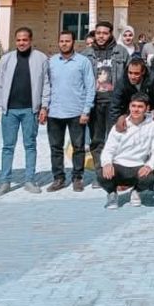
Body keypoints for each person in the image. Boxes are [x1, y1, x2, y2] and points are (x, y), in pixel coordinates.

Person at [0, 27, 50, 196]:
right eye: (18, 40)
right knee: (8, 147)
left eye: (25, 40)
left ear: (31, 40)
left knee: (30, 145)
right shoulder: (6, 59)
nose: (21, 43)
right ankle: (4, 182)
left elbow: (46, 84)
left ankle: (30, 180)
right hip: (10, 111)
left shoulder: (41, 58)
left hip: (31, 110)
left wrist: (44, 107)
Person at [42, 30, 95, 192]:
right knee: (55, 148)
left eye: (67, 41)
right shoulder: (51, 62)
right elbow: (45, 86)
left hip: (76, 112)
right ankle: (58, 178)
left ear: (73, 42)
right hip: (54, 112)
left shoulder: (83, 62)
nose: (64, 44)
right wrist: (44, 107)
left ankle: (77, 178)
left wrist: (86, 110)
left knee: (78, 147)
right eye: (61, 41)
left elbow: (90, 87)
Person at [98, 94, 154, 209]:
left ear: (147, 108)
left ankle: (136, 192)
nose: (136, 109)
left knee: (149, 178)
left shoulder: (153, 126)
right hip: (119, 165)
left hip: (138, 166)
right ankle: (112, 194)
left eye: (140, 106)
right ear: (129, 106)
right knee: (101, 173)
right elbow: (109, 149)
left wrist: (149, 165)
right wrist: (107, 163)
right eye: (133, 106)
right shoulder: (120, 125)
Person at [82, 20, 129, 170]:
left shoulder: (121, 51)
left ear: (110, 34)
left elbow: (129, 77)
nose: (101, 36)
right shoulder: (86, 54)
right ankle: (100, 170)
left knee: (116, 137)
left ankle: (115, 169)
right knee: (96, 139)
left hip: (115, 103)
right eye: (98, 33)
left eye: (105, 33)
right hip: (94, 103)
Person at [110, 57, 154, 123]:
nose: (132, 77)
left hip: (150, 115)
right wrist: (117, 123)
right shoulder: (122, 81)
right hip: (130, 115)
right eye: (130, 73)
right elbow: (115, 106)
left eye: (136, 73)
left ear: (143, 71)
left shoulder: (153, 79)